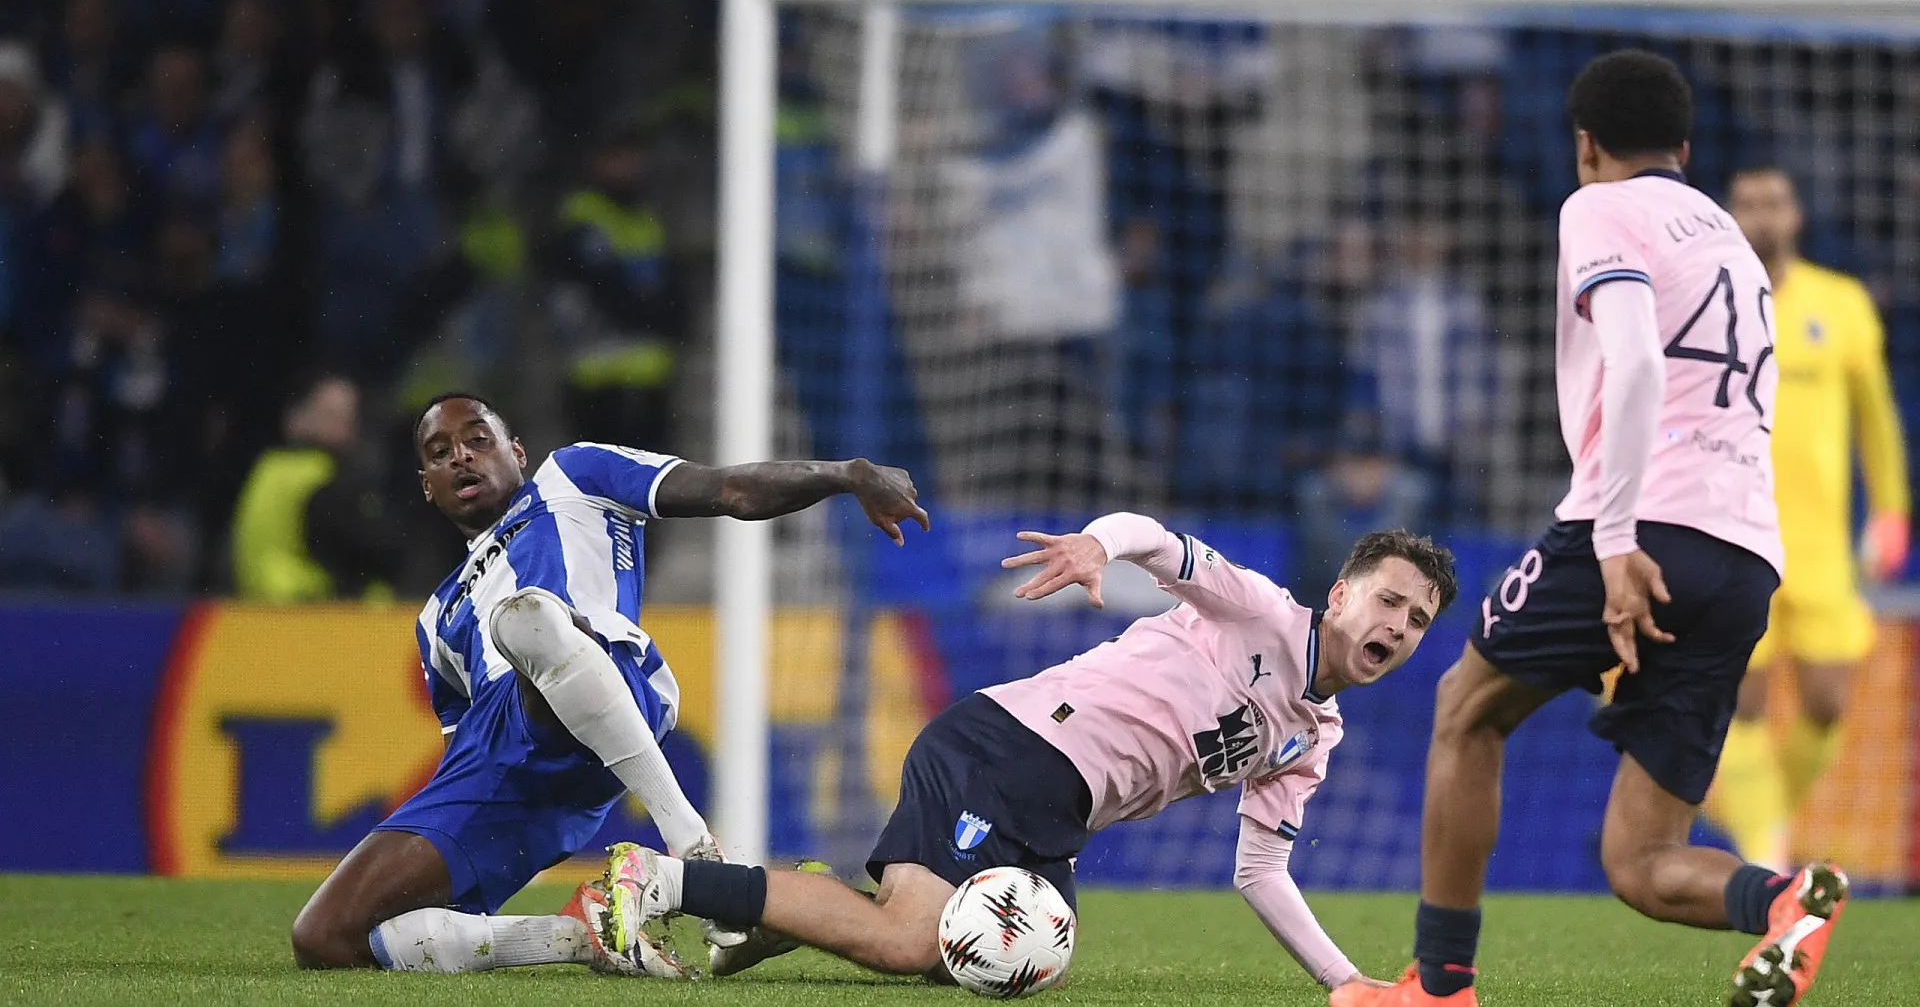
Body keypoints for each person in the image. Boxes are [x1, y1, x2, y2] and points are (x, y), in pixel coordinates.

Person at [1331, 50, 1842, 1007]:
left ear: (1585, 146)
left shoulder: (1598, 205)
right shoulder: (1732, 238)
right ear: (1684, 149)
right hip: (1746, 552)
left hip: (1646, 518)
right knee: (1643, 861)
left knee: (1466, 711)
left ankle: (1437, 989)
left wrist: (1614, 539)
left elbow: (1639, 365)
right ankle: (1784, 898)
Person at [600, 517, 1459, 995]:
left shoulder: (1315, 738)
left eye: (1417, 621)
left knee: (991, 964)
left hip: (1059, 814)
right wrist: (1098, 544)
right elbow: (1159, 541)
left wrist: (1347, 984)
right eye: (1387, 601)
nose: (1396, 627)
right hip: (1009, 750)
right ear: (1342, 594)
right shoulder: (1262, 613)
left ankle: (802, 900)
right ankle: (663, 881)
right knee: (912, 944)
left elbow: (1261, 871)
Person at [288, 392, 930, 977]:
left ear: (516, 451)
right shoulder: (437, 619)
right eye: (439, 453)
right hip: (507, 766)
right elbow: (464, 753)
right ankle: (583, 932)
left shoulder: (574, 476)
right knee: (324, 937)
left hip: (606, 679)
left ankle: (698, 856)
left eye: (478, 439)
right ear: (427, 487)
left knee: (528, 617)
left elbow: (730, 489)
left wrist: (845, 475)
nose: (461, 456)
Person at [1710, 165, 1910, 870]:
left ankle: (1770, 819)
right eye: (1748, 203)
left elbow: (1876, 418)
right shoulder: (1709, 303)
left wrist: (1891, 511)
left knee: (1827, 701)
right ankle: (1768, 857)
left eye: (1775, 203)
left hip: (1821, 545)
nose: (1762, 216)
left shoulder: (1843, 303)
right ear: (1729, 215)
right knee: (1746, 705)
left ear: (1795, 216)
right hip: (1735, 537)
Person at [230, 374, 404, 603]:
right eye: (332, 414)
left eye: (350, 414)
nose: (345, 423)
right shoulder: (320, 478)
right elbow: (358, 549)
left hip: (258, 603)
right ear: (298, 415)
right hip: (308, 607)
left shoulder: (268, 467)